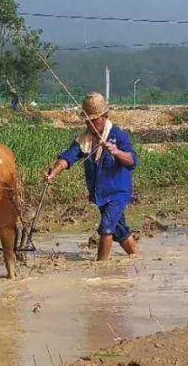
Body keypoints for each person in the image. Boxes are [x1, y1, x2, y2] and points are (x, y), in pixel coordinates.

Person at [44, 92, 139, 261]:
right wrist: (54, 172)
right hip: (100, 195)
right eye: (87, 120)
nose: (90, 123)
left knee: (106, 227)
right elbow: (68, 157)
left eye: (94, 120)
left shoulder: (118, 135)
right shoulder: (84, 140)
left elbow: (132, 161)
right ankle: (136, 258)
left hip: (118, 193)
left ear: (104, 116)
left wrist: (116, 151)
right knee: (120, 230)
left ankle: (101, 268)